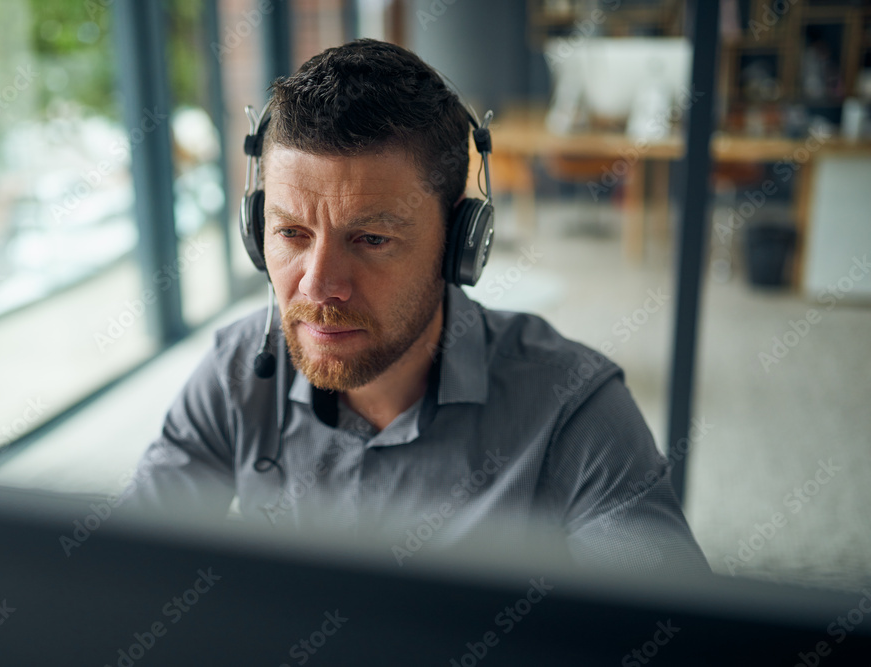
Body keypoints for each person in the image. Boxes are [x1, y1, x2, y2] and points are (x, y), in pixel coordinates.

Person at [123, 38, 710, 575]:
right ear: (256, 233)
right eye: (293, 234)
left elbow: (675, 633)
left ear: (461, 243)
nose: (320, 286)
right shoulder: (237, 373)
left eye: (372, 240)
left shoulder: (574, 408)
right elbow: (124, 573)